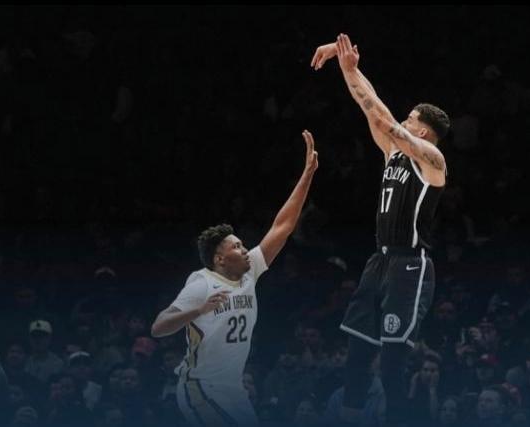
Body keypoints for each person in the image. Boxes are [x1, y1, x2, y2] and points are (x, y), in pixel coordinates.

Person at [311, 34, 450, 425]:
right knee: (356, 360)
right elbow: (371, 109)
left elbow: (384, 119)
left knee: (392, 366)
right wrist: (348, 68)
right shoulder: (392, 153)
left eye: (410, 120)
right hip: (379, 262)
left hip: (410, 265)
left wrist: (352, 72)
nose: (403, 122)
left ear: (422, 132)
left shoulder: (433, 161)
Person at [151, 130, 318, 426]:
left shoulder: (250, 271)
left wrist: (307, 174)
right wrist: (198, 310)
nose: (245, 249)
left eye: (243, 245)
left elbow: (282, 226)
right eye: (237, 247)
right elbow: (159, 327)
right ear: (219, 259)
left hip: (233, 389)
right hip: (200, 387)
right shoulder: (202, 283)